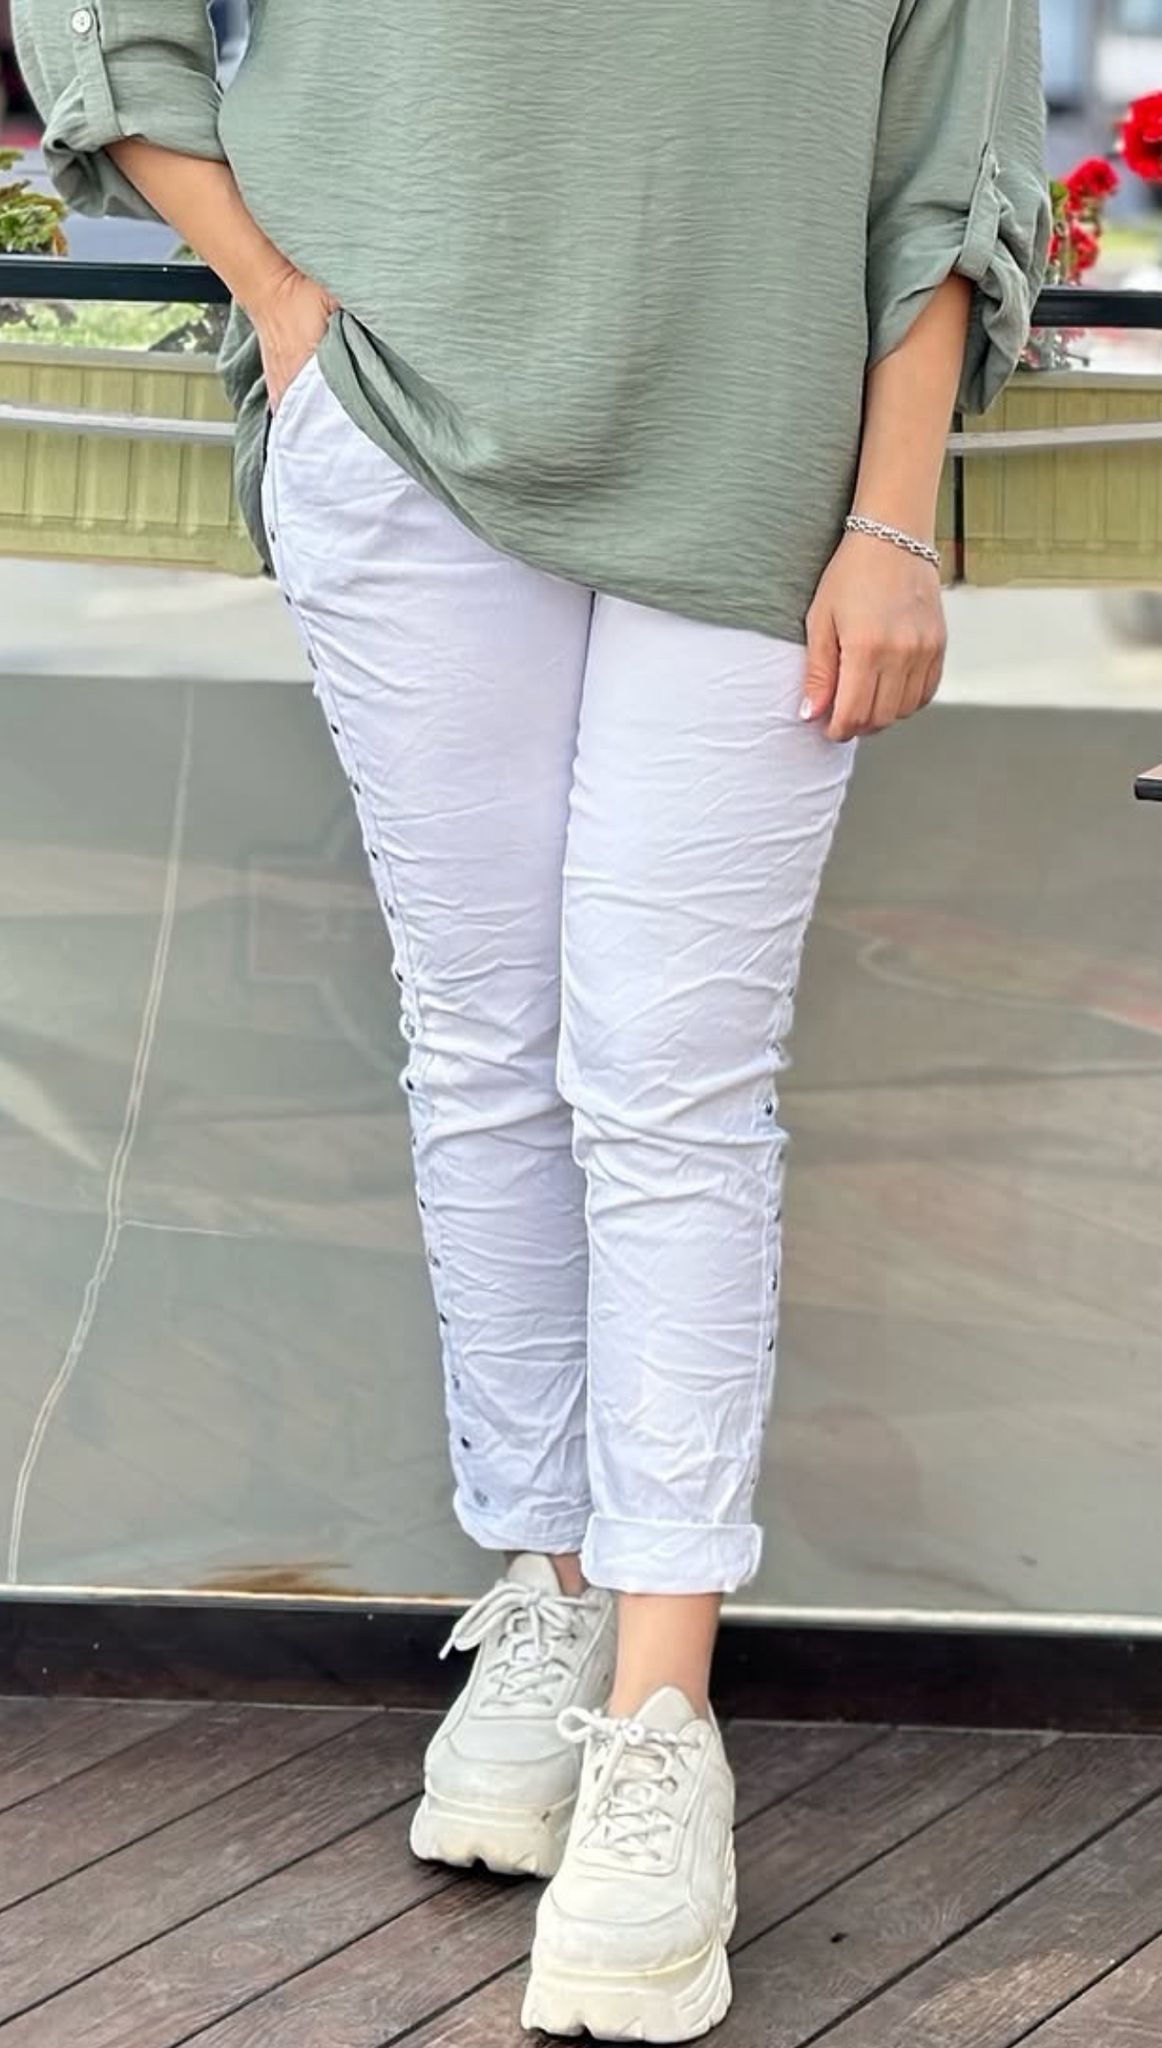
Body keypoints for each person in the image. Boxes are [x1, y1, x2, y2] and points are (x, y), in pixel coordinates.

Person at [13, 3, 1048, 2038]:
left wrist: (892, 513)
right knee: (482, 1052)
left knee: (671, 1087)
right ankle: (548, 1597)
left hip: (767, 474)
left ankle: (663, 1722)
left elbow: (952, 138)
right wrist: (282, 307)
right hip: (388, 420)